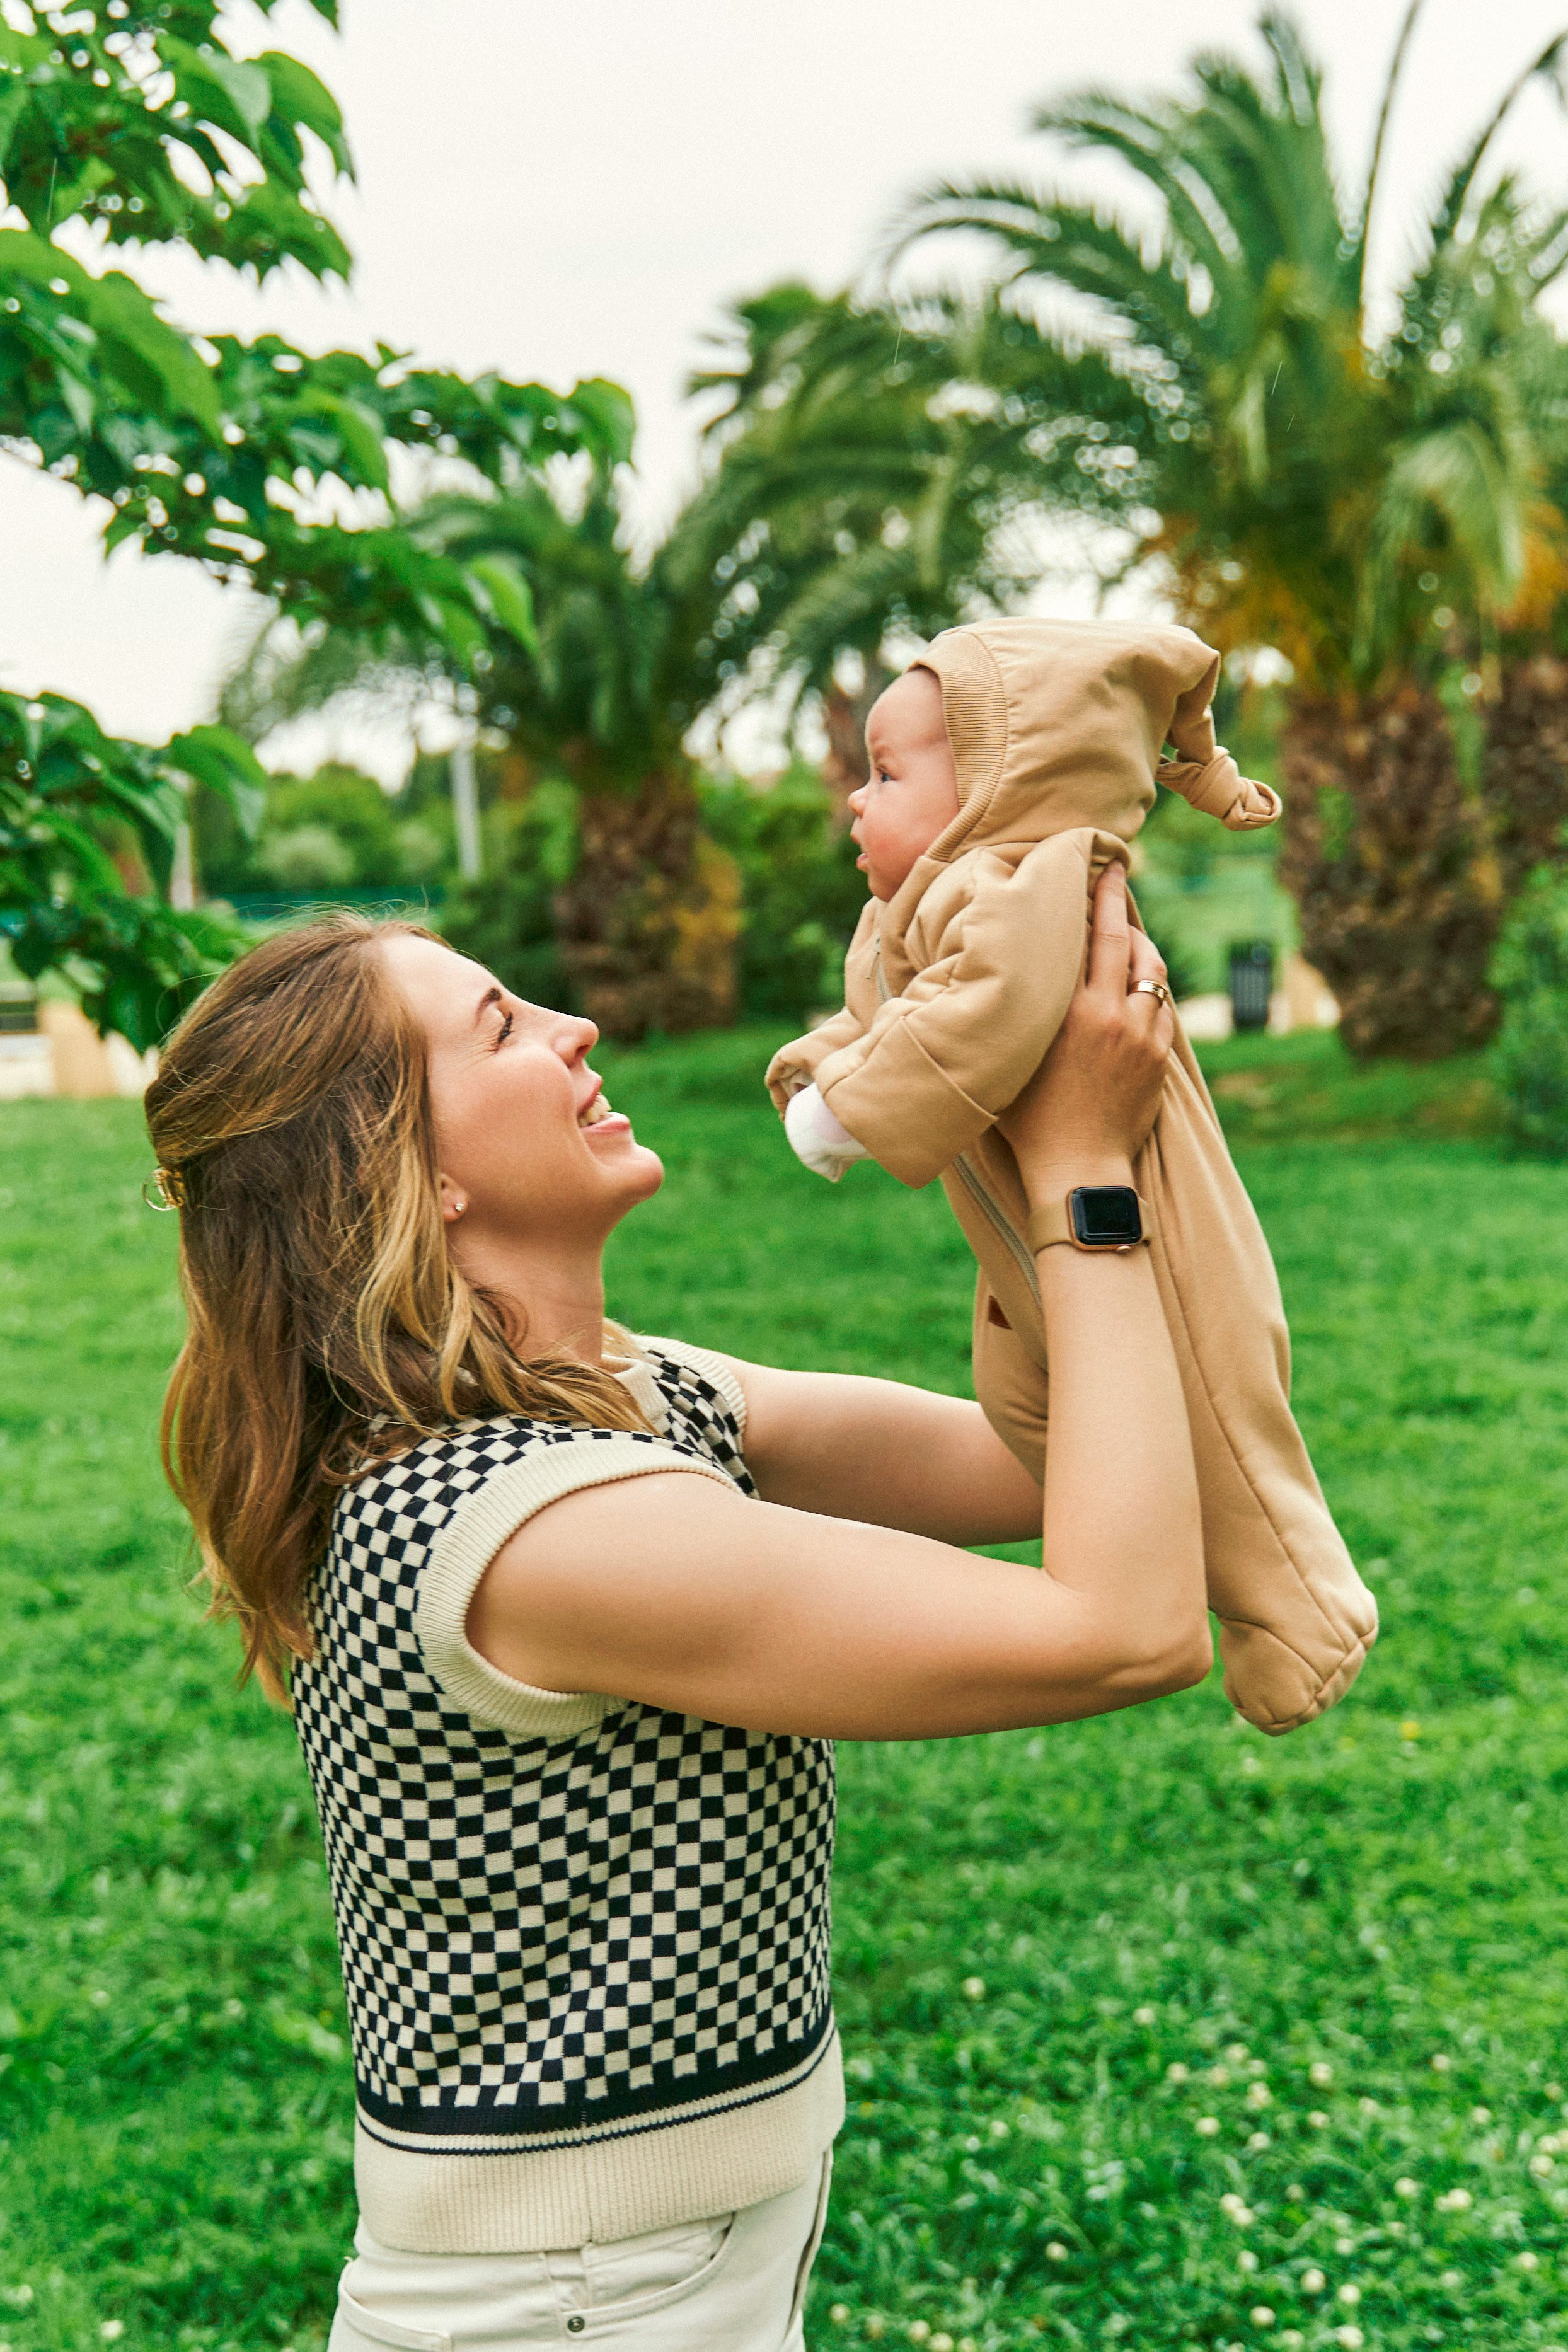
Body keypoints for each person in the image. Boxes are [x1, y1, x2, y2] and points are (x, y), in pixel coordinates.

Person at [144, 872, 1208, 2351]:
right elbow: (1122, 1625)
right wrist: (1080, 1168)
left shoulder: (625, 1392)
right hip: (576, 2304)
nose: (577, 1028)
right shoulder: (520, 1527)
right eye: (503, 1027)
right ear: (413, 1174)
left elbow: (1032, 1457)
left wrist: (974, 1109)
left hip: (657, 2265)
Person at [766, 620, 1376, 1739]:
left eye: (888, 774)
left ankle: (1302, 1604)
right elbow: (891, 1014)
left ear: (1007, 787)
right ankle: (1159, 1544)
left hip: (1157, 1221)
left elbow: (983, 1013)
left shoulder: (1022, 882)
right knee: (1029, 1411)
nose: (856, 800)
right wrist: (828, 1057)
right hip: (1035, 1244)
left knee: (1218, 1402)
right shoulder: (923, 908)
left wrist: (841, 1114)